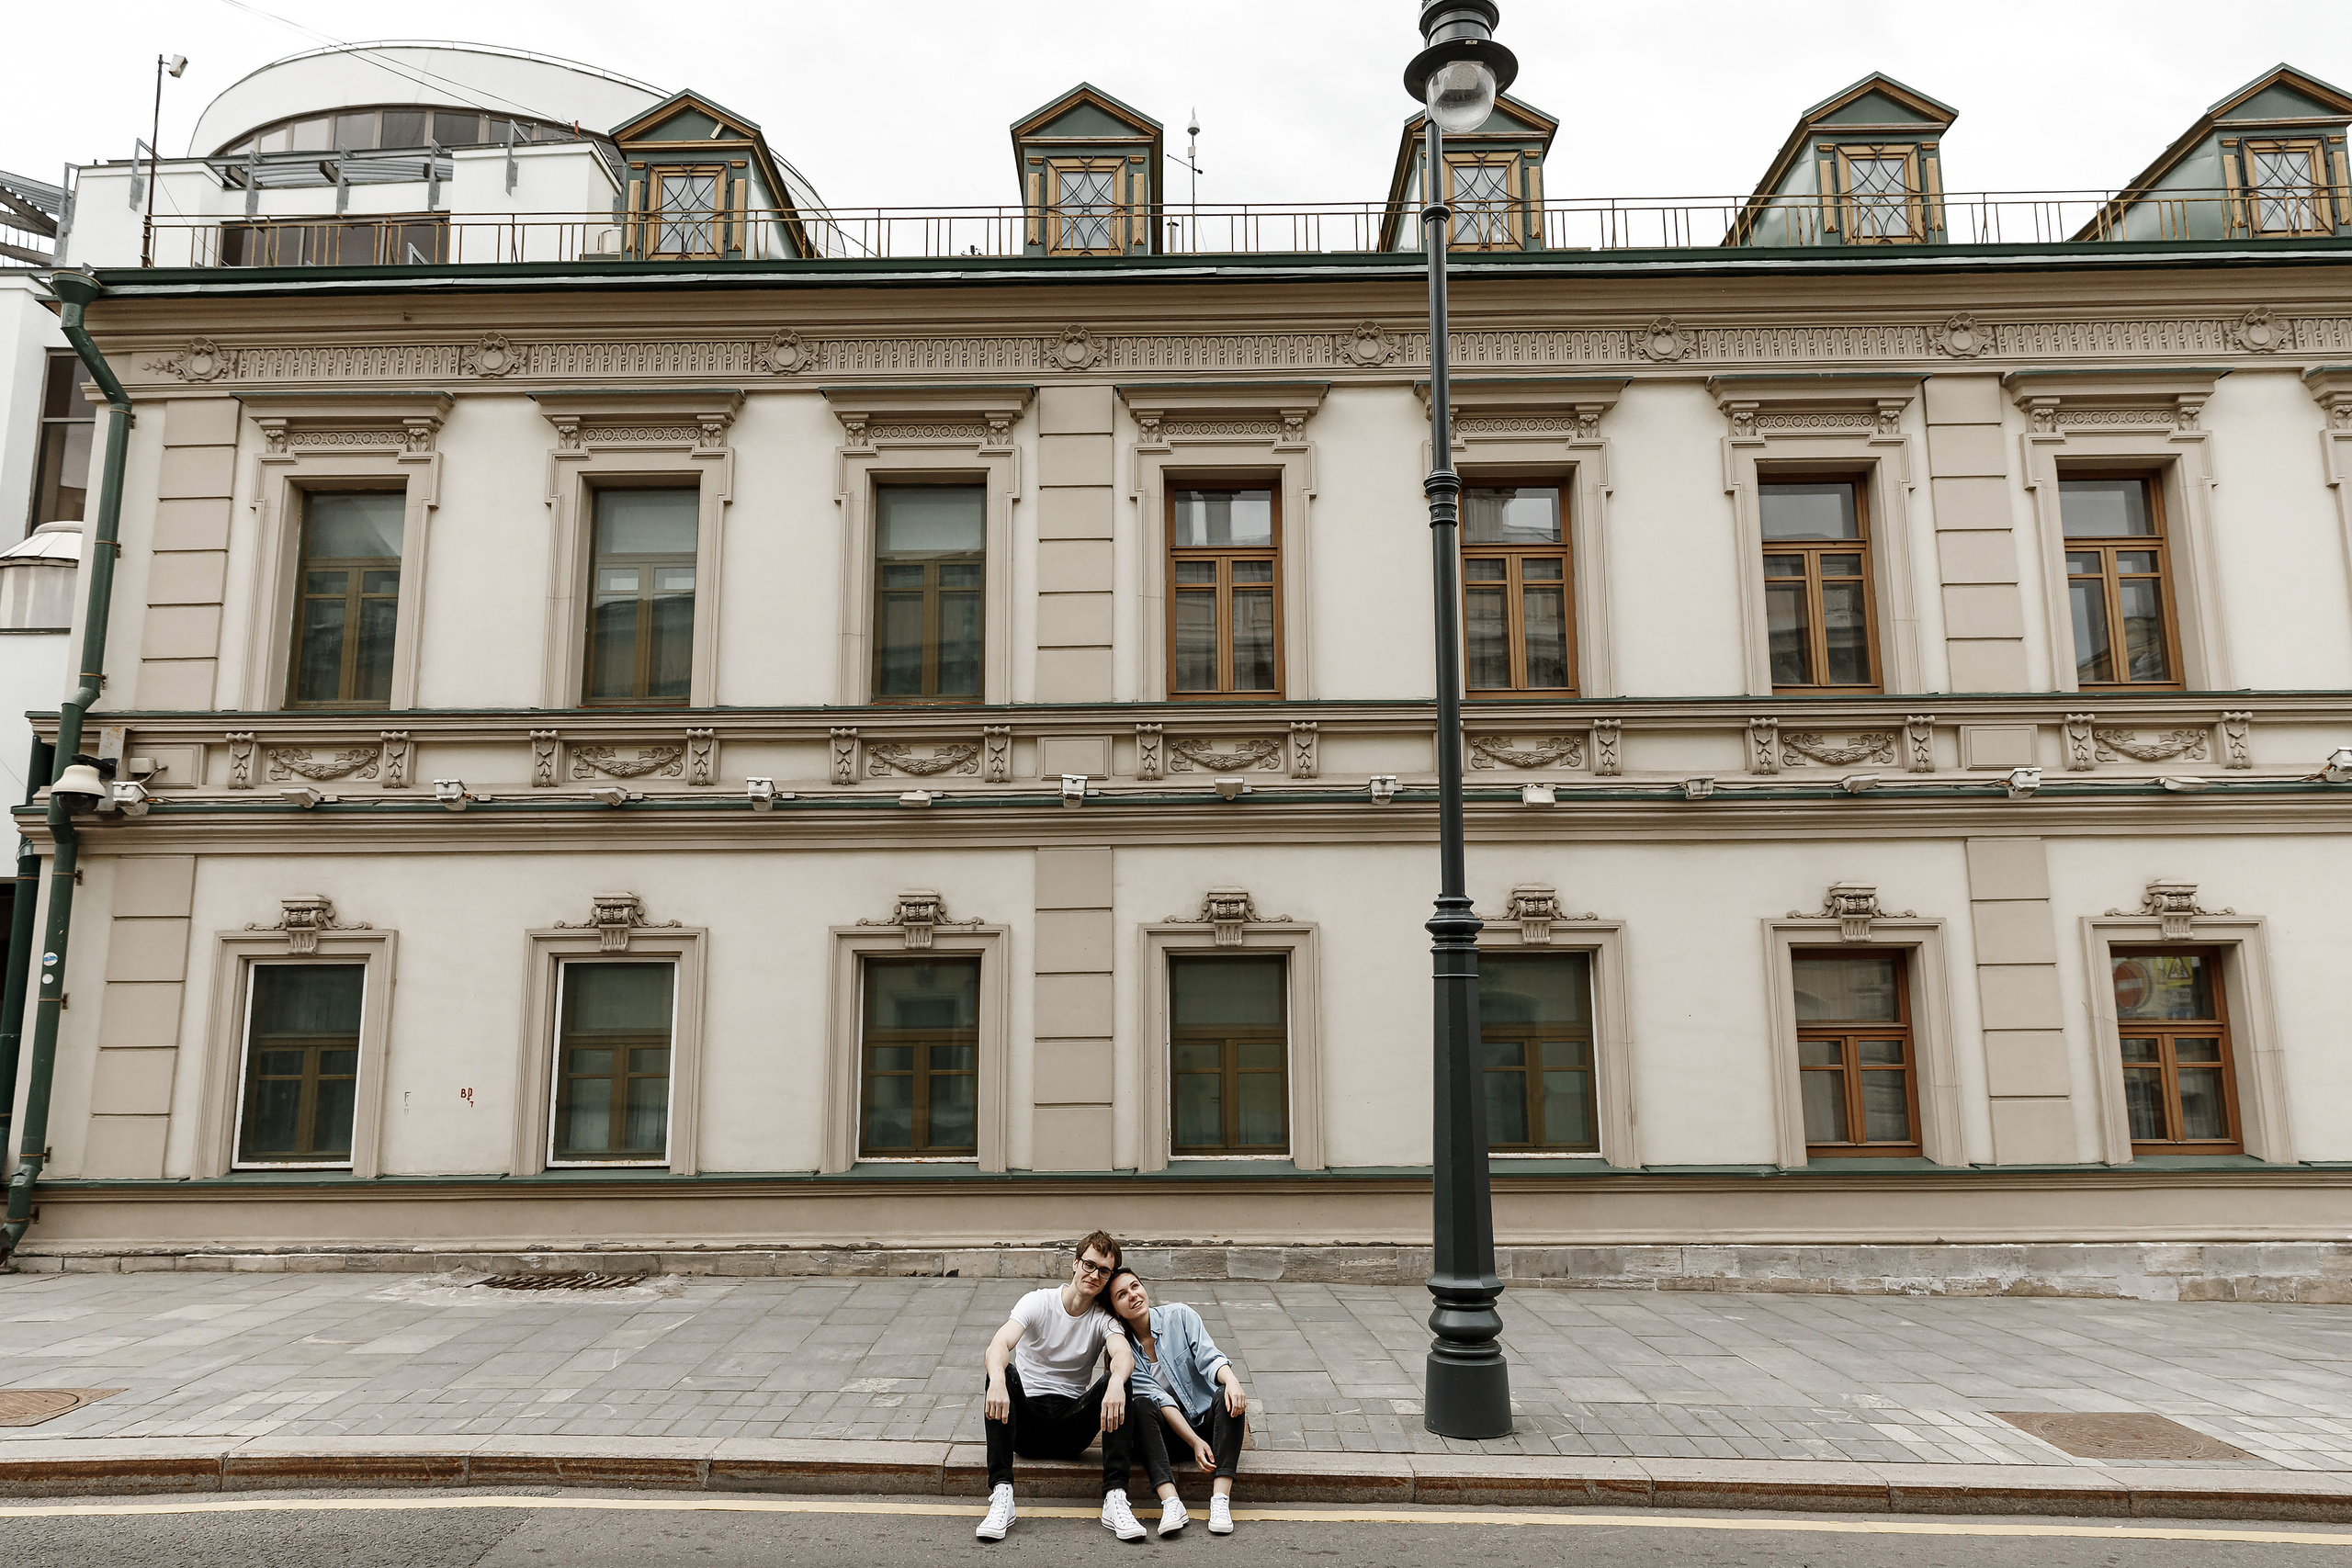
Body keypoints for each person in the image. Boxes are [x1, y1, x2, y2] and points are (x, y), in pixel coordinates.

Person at [974, 1230, 1145, 1543]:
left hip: (1071, 1429)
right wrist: (997, 1380)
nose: (1094, 1275)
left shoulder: (1103, 1319)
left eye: (1104, 1271)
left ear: (1108, 1279)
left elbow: (1122, 1353)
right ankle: (1001, 1495)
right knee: (1001, 1372)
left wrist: (1118, 1382)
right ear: (1076, 1263)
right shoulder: (1038, 1302)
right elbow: (1000, 1342)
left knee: (1118, 1379)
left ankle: (1115, 1498)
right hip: (1026, 1425)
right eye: (1090, 1265)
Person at [1102, 1268, 1249, 1538]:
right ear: (1116, 1311)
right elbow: (1162, 1401)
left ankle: (1220, 1500)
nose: (1133, 1295)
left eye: (1135, 1286)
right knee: (1142, 1405)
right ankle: (1171, 1502)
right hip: (1167, 1437)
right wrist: (1194, 1442)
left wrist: (1233, 1381)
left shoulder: (1180, 1316)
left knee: (1225, 1394)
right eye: (1122, 1295)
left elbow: (1209, 1358)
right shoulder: (1124, 1351)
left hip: (1207, 1425)